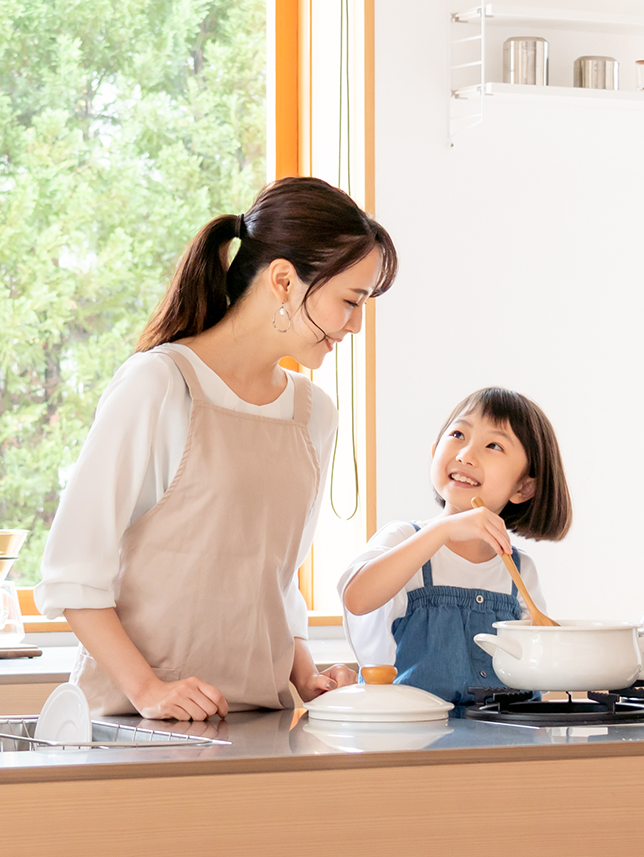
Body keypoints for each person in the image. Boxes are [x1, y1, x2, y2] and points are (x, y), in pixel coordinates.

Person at [35, 177, 398, 719]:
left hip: (260, 725)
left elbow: (275, 579)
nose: (357, 324)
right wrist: (149, 690)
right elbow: (71, 573)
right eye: (351, 300)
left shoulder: (314, 413)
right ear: (283, 279)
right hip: (133, 726)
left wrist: (308, 678)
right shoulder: (159, 384)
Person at [339, 387, 572, 704]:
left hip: (504, 742)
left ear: (524, 486)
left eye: (493, 445)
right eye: (458, 434)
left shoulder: (521, 571)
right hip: (415, 741)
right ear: (435, 450)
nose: (465, 454)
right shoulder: (403, 540)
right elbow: (357, 598)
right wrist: (443, 530)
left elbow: (538, 669)